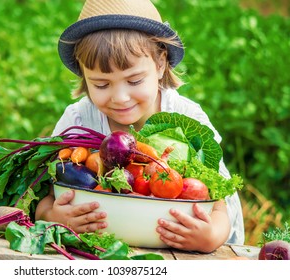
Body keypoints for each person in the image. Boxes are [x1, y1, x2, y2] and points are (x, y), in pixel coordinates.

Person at [35, 0, 244, 253]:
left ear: (160, 64)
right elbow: (44, 198)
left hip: (180, 252)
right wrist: (54, 217)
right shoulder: (77, 120)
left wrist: (210, 237)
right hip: (98, 252)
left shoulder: (186, 116)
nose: (120, 97)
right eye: (101, 85)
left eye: (134, 80)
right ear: (83, 75)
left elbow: (220, 205)